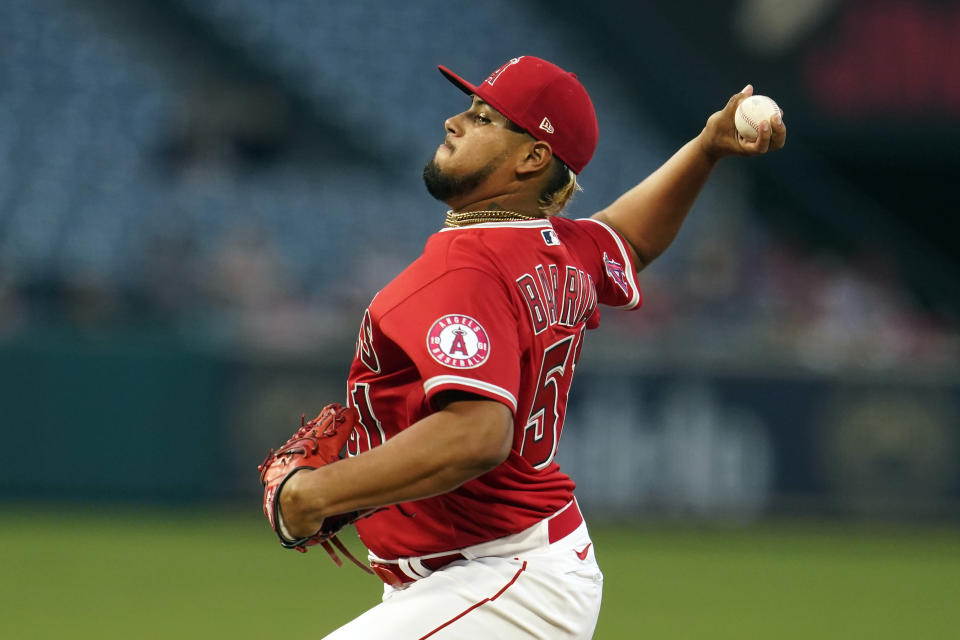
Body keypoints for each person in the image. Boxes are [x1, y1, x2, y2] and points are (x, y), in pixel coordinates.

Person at [277, 55, 786, 639]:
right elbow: (629, 240)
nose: (454, 122)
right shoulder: (554, 247)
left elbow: (477, 435)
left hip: (500, 577)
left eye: (485, 118)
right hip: (494, 574)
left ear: (533, 156)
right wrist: (705, 150)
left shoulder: (464, 267)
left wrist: (314, 494)